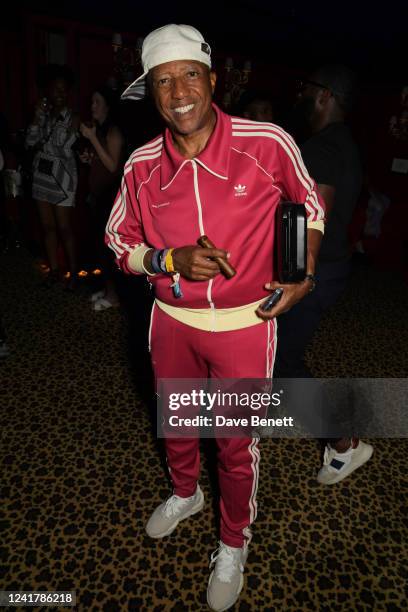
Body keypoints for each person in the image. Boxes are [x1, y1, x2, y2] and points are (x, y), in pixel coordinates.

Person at [105, 24, 325, 611]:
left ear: (212, 80)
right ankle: (184, 494)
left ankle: (233, 543)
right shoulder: (141, 165)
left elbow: (310, 205)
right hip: (170, 321)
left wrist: (303, 273)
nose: (178, 92)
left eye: (189, 76)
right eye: (163, 81)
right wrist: (168, 258)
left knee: (233, 445)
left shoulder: (268, 140)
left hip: (245, 325)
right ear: (152, 92)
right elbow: (116, 241)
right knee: (175, 423)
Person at [274, 64, 373, 484]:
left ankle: (344, 443)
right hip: (329, 269)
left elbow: (312, 218)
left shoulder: (322, 148)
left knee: (282, 362)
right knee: (278, 356)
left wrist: (293, 279)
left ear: (324, 95)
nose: (300, 95)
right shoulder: (342, 142)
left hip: (312, 274)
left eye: (307, 87)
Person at [25, 65, 79, 288]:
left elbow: (65, 146)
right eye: (55, 89)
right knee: (47, 227)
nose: (60, 93)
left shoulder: (73, 117)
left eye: (63, 90)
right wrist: (37, 119)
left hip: (63, 179)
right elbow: (29, 142)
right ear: (48, 91)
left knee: (64, 228)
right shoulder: (43, 115)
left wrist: (46, 146)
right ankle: (55, 271)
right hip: (42, 176)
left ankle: (74, 274)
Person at [79, 86, 125, 310]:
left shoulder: (113, 131)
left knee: (109, 251)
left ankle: (114, 296)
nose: (92, 107)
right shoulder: (100, 131)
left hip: (111, 200)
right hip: (98, 196)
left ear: (107, 106)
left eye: (97, 102)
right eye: (91, 102)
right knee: (99, 248)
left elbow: (113, 165)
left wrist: (92, 138)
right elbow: (101, 162)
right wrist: (90, 158)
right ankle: (108, 290)